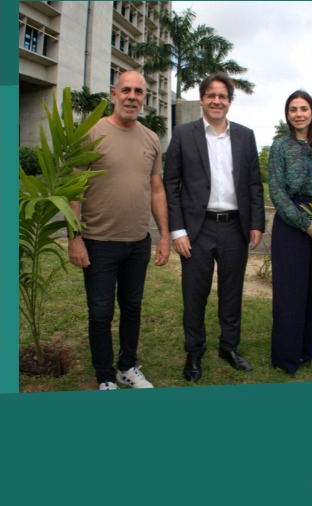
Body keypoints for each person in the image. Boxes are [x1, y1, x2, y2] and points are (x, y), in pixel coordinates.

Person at [68, 70, 171, 391]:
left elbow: (157, 189)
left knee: (132, 307)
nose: (132, 97)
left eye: (138, 92)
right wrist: (75, 237)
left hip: (137, 242)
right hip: (98, 243)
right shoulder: (91, 132)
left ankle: (127, 367)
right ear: (113, 94)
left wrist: (164, 236)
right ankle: (104, 377)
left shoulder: (151, 138)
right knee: (100, 313)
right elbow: (73, 190)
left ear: (145, 99)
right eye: (126, 90)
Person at [163, 72, 266, 382]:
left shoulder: (246, 136)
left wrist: (257, 223)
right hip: (197, 229)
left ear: (229, 102)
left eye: (223, 96)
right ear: (202, 99)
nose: (217, 101)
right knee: (194, 294)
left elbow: (253, 183)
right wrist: (177, 230)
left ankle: (229, 347)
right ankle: (194, 352)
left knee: (232, 293)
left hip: (235, 227)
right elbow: (170, 184)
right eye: (211, 95)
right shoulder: (183, 134)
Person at [268, 90, 312, 376]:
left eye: (304, 108)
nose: (298, 113)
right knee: (290, 292)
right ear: (288, 115)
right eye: (293, 109)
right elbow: (276, 190)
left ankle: (308, 349)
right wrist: (305, 224)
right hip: (291, 223)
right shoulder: (280, 146)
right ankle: (286, 356)